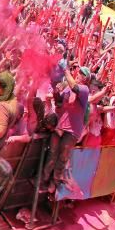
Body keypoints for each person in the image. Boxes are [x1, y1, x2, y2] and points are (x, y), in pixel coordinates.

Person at [43, 63, 90, 196]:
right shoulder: (67, 87)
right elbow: (58, 103)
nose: (79, 74)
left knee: (62, 157)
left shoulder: (84, 89)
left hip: (72, 131)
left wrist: (65, 69)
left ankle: (54, 182)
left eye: (82, 73)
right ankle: (44, 179)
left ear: (86, 79)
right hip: (60, 126)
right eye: (79, 71)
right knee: (52, 153)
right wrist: (56, 93)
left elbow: (75, 87)